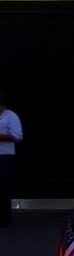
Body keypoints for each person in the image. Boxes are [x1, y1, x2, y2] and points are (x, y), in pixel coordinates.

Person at [0, 92, 21, 227]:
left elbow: (17, 136)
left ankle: (4, 219)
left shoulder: (11, 116)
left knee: (3, 188)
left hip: (5, 157)